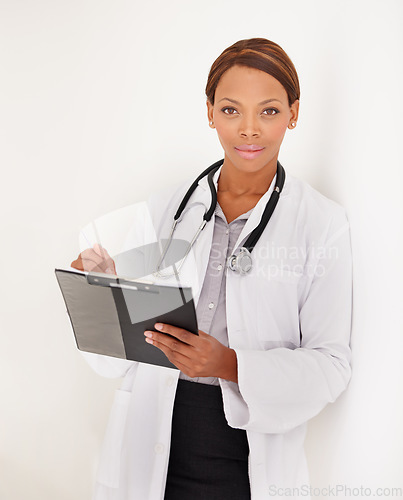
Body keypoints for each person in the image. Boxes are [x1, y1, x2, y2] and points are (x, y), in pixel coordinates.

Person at [71, 38, 353, 500]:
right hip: (155, 441)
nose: (248, 130)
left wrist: (230, 364)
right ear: (209, 112)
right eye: (230, 110)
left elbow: (332, 366)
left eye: (268, 111)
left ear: (294, 113)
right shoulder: (165, 209)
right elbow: (112, 359)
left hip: (249, 450)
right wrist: (96, 288)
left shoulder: (322, 225)